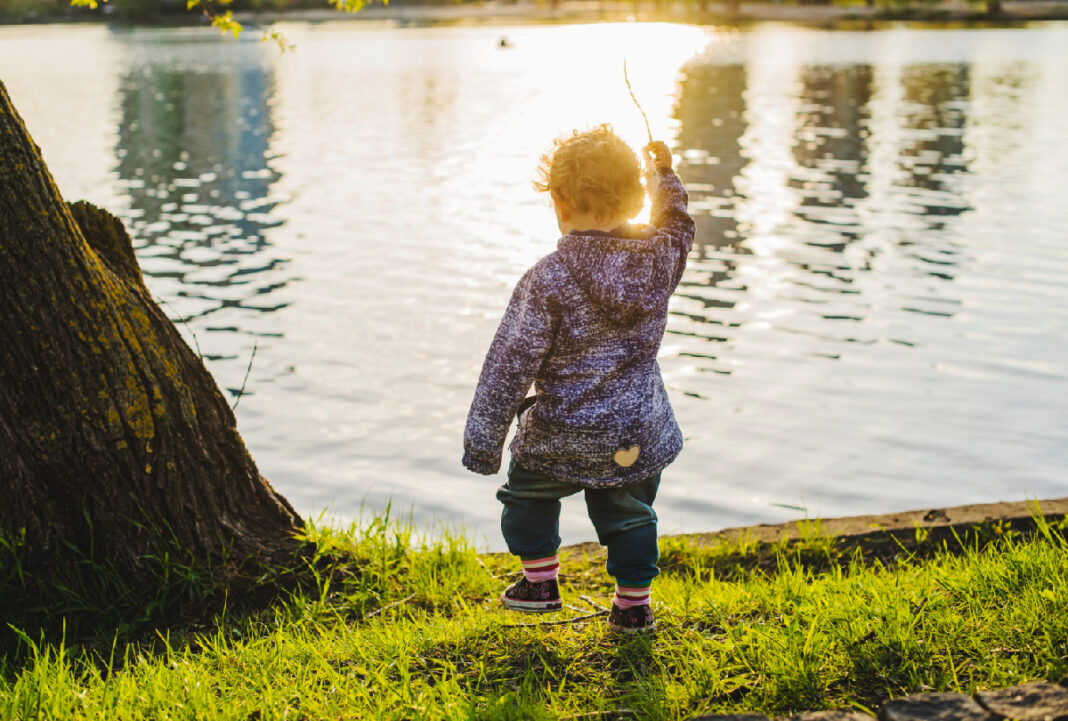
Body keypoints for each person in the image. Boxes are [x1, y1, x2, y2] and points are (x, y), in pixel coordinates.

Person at [462, 124, 695, 633]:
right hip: (634, 435)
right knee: (631, 514)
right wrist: (665, 176)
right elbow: (678, 227)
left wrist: (483, 443)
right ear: (634, 200)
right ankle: (633, 607)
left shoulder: (547, 279)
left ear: (561, 204)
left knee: (526, 497)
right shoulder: (659, 262)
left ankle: (540, 583)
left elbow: (508, 367)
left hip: (561, 435)